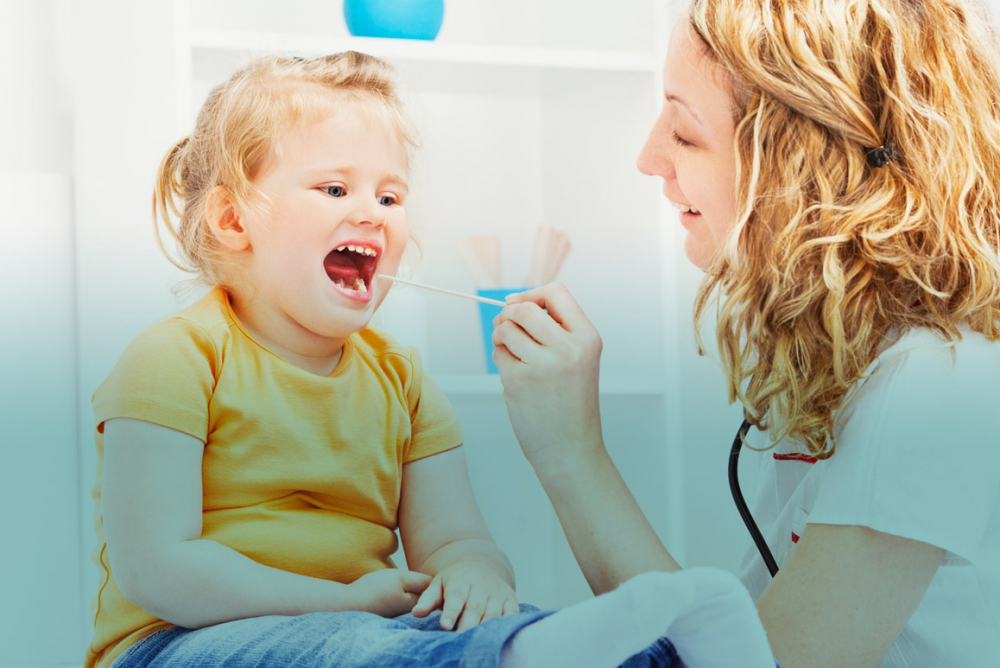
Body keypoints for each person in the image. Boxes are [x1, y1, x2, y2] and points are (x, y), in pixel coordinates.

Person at [87, 49, 777, 668]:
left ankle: (664, 656)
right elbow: (159, 569)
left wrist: (475, 575)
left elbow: (454, 540)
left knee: (499, 625)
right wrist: (345, 602)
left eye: (389, 195)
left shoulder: (402, 382)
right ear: (234, 220)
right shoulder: (175, 358)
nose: (372, 212)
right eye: (335, 189)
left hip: (365, 628)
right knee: (365, 649)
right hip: (179, 642)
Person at [492, 1, 1000, 666]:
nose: (648, 158)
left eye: (684, 133)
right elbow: (722, 647)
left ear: (802, 166)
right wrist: (566, 450)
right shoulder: (846, 353)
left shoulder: (933, 383)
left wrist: (574, 454)